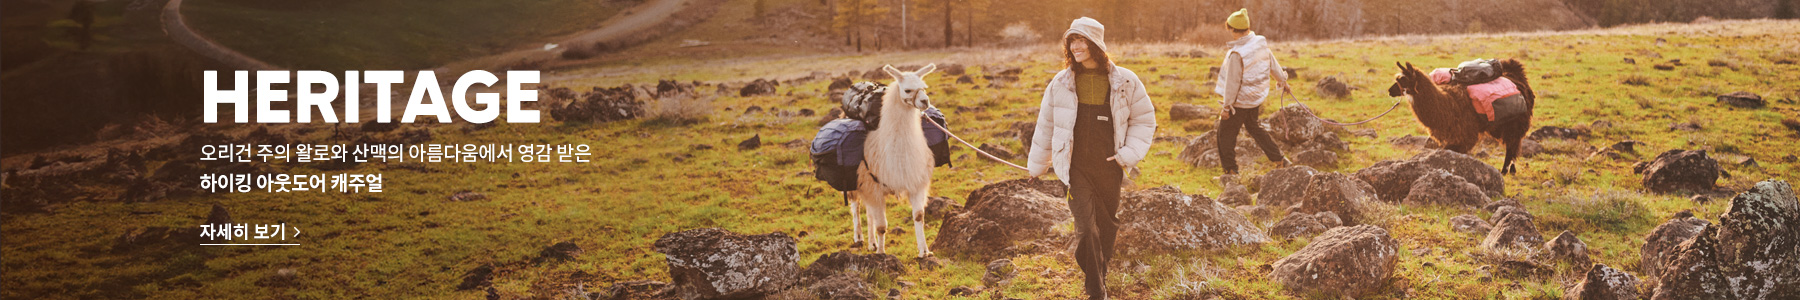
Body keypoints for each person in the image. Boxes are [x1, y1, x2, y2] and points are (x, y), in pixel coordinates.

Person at [1025, 17, 1156, 300]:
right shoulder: (1060, 83)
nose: (1076, 46)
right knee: (1086, 230)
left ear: (1096, 44)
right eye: (1072, 41)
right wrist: (1038, 165)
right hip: (1075, 168)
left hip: (1109, 165)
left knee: (1107, 225)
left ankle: (1100, 272)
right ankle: (1096, 290)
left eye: (1082, 40)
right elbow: (1046, 125)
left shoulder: (1126, 81)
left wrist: (1127, 155)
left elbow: (1144, 120)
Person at [1214, 8, 1292, 177]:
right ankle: (1279, 159)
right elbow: (1272, 62)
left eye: (1230, 29)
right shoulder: (1259, 43)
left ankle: (1231, 171)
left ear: (1234, 30)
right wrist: (1282, 81)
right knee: (1254, 128)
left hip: (1240, 102)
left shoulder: (1237, 53)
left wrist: (1226, 108)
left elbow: (1232, 84)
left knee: (1225, 134)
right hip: (1255, 98)